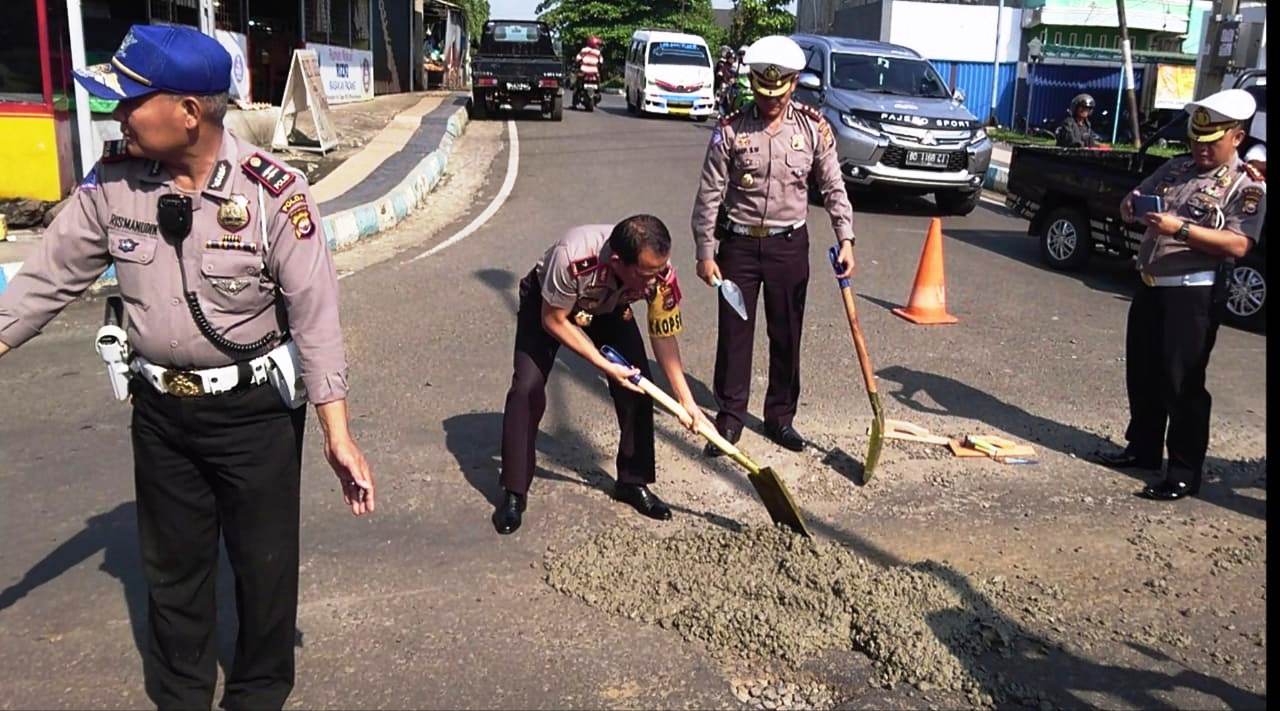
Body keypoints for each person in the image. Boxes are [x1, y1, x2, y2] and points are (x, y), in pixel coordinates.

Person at [0, 25, 375, 708]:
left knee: (262, 573)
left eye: (130, 102)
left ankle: (258, 691)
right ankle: (181, 695)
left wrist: (336, 432)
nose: (118, 117)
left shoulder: (273, 194)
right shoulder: (115, 185)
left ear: (189, 112)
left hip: (255, 417)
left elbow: (316, 315)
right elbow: (43, 281)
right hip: (162, 414)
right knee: (172, 575)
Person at [691, 35, 857, 457]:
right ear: (751, 82)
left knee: (786, 333)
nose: (770, 102)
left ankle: (781, 417)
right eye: (763, 93)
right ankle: (729, 417)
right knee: (734, 335)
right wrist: (705, 251)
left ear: (794, 84)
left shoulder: (813, 128)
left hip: (788, 245)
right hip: (739, 247)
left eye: (778, 93)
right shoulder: (730, 129)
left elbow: (833, 186)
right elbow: (710, 193)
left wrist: (846, 237)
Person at [1097, 88, 1266, 501]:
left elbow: (1239, 244)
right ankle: (1143, 449)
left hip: (1193, 293)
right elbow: (1135, 196)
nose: (1201, 149)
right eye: (1196, 140)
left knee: (1182, 384)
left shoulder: (1246, 186)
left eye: (1211, 142)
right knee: (1143, 374)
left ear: (1236, 138)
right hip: (1151, 285)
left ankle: (1185, 471)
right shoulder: (1176, 169)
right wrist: (1131, 205)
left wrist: (1182, 230)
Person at [496, 216, 713, 534]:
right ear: (617, 262)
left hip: (609, 308)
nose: (655, 280)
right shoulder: (573, 257)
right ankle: (514, 490)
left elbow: (664, 336)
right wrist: (601, 364)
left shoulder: (659, 271)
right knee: (526, 388)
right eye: (646, 274)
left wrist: (687, 401)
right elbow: (554, 320)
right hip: (550, 306)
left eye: (659, 270)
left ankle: (632, 481)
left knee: (640, 388)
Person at [574, 35, 603, 102]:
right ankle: (598, 93)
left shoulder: (584, 50)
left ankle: (574, 103)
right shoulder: (598, 53)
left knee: (577, 86)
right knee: (598, 83)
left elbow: (577, 59)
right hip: (594, 72)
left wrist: (578, 64)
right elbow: (601, 62)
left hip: (583, 71)